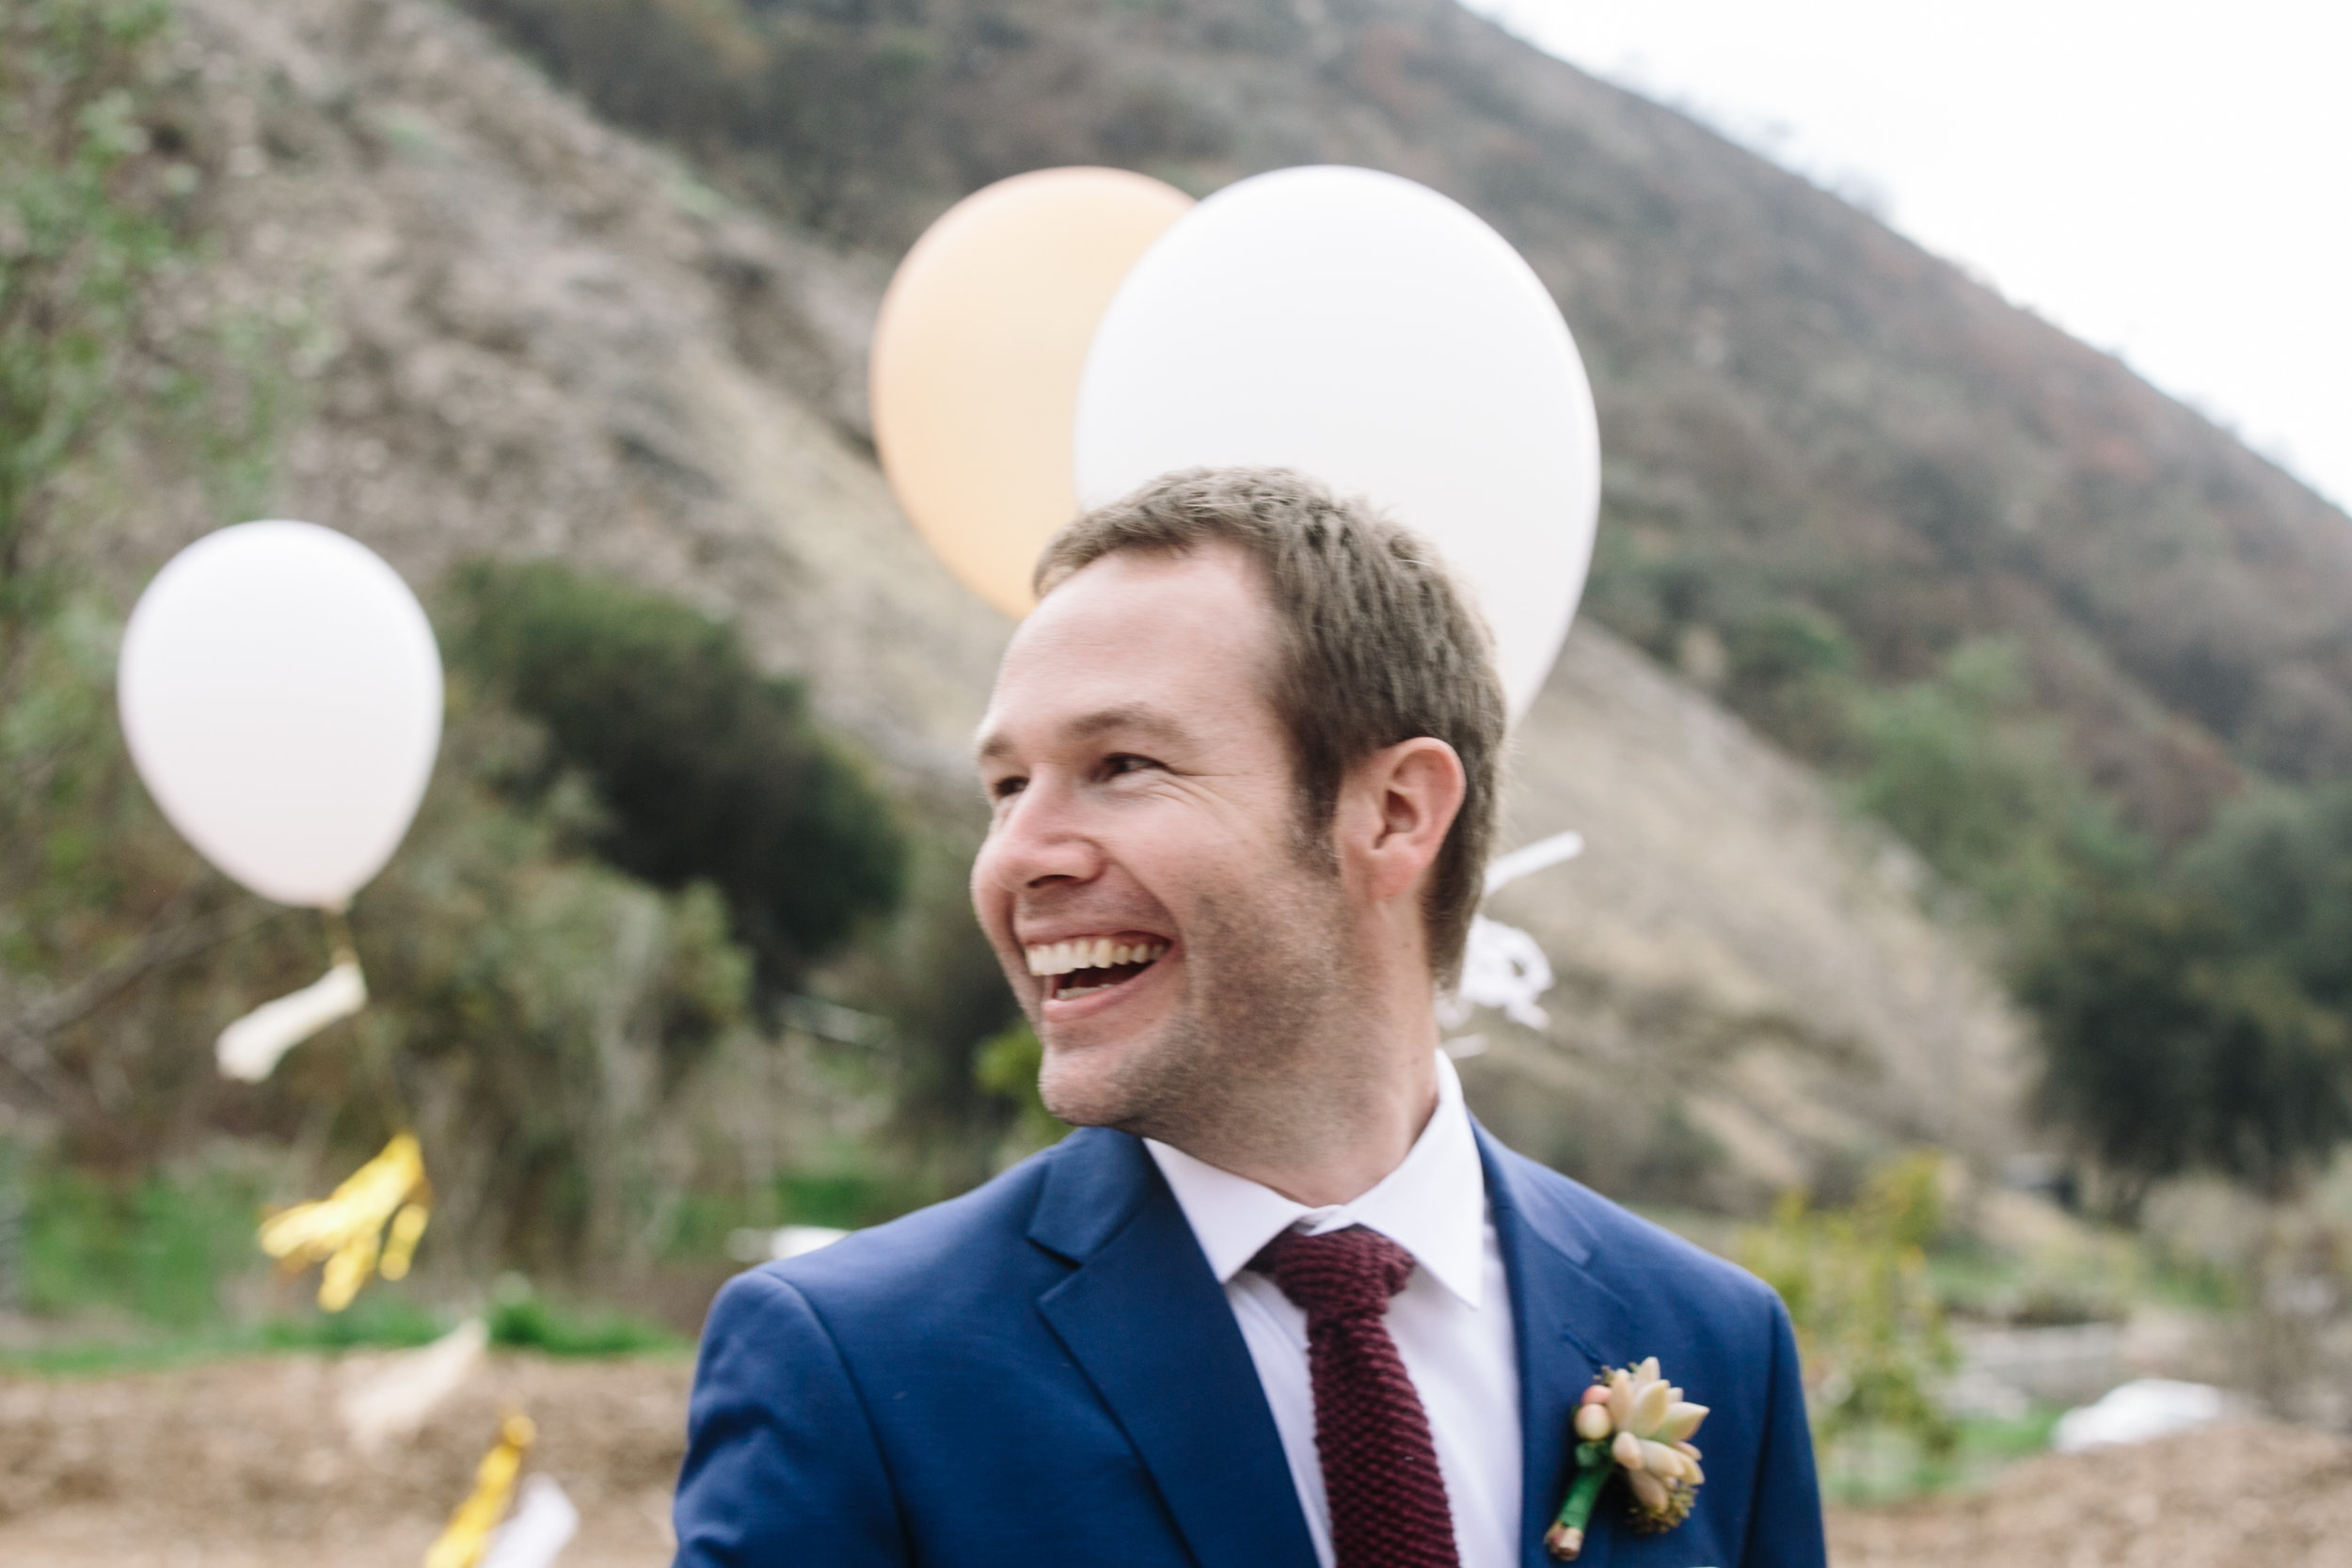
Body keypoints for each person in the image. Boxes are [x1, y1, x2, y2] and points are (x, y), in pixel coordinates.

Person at [672, 467, 1825, 1568]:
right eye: (1007, 785)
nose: (1015, 854)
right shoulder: (853, 1366)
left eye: (1120, 763)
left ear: (1392, 812)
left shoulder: (1714, 1337)